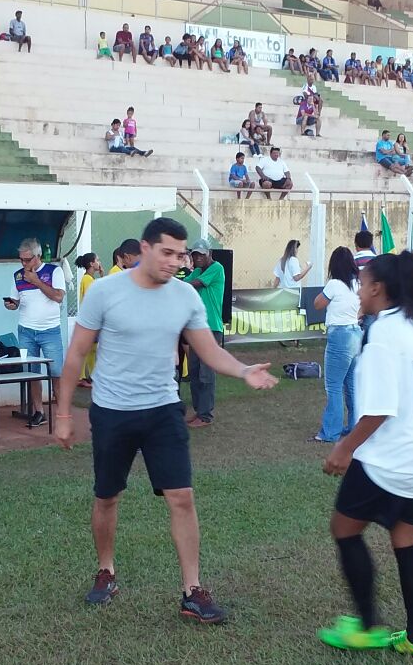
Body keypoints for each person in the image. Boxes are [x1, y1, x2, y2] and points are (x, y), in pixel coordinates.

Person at [54, 217, 279, 622]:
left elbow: (208, 350)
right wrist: (64, 413)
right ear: (145, 249)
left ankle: (192, 591)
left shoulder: (185, 296)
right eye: (168, 253)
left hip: (163, 410)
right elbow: (76, 354)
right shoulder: (105, 292)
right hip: (113, 411)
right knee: (107, 496)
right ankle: (106, 571)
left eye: (181, 254)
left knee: (182, 497)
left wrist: (244, 370)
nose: (176, 262)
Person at [316, 251, 413, 658]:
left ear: (377, 288)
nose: (358, 290)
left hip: (395, 457)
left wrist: (344, 447)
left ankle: (367, 628)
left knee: (344, 529)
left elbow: (379, 409)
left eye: (362, 283)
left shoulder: (382, 338)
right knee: (406, 538)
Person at [3, 239, 64, 427]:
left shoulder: (54, 271)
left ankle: (63, 413)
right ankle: (39, 411)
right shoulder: (18, 276)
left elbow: (58, 296)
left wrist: (36, 281)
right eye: (21, 259)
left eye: (27, 260)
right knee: (32, 373)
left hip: (50, 331)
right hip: (26, 331)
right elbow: (16, 300)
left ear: (38, 256)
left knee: (56, 373)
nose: (24, 263)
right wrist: (11, 305)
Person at [312, 247, 361, 443]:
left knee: (333, 386)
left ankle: (330, 432)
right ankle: (355, 428)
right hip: (356, 333)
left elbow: (317, 304)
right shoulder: (358, 284)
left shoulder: (334, 284)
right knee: (351, 385)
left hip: (340, 336)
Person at [183, 239, 226, 428]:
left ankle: (205, 415)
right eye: (195, 254)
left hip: (212, 328)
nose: (198, 257)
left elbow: (193, 284)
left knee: (206, 373)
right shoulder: (198, 271)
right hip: (196, 329)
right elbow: (186, 285)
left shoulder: (217, 268)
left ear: (209, 253)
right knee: (194, 371)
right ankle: (199, 410)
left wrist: (173, 282)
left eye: (201, 254)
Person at [74, 253, 103, 387]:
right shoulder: (87, 280)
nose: (99, 262)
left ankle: (91, 376)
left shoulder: (90, 279)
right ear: (91, 263)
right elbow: (92, 299)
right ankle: (81, 377)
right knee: (88, 350)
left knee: (92, 350)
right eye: (97, 260)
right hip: (91, 320)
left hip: (92, 320)